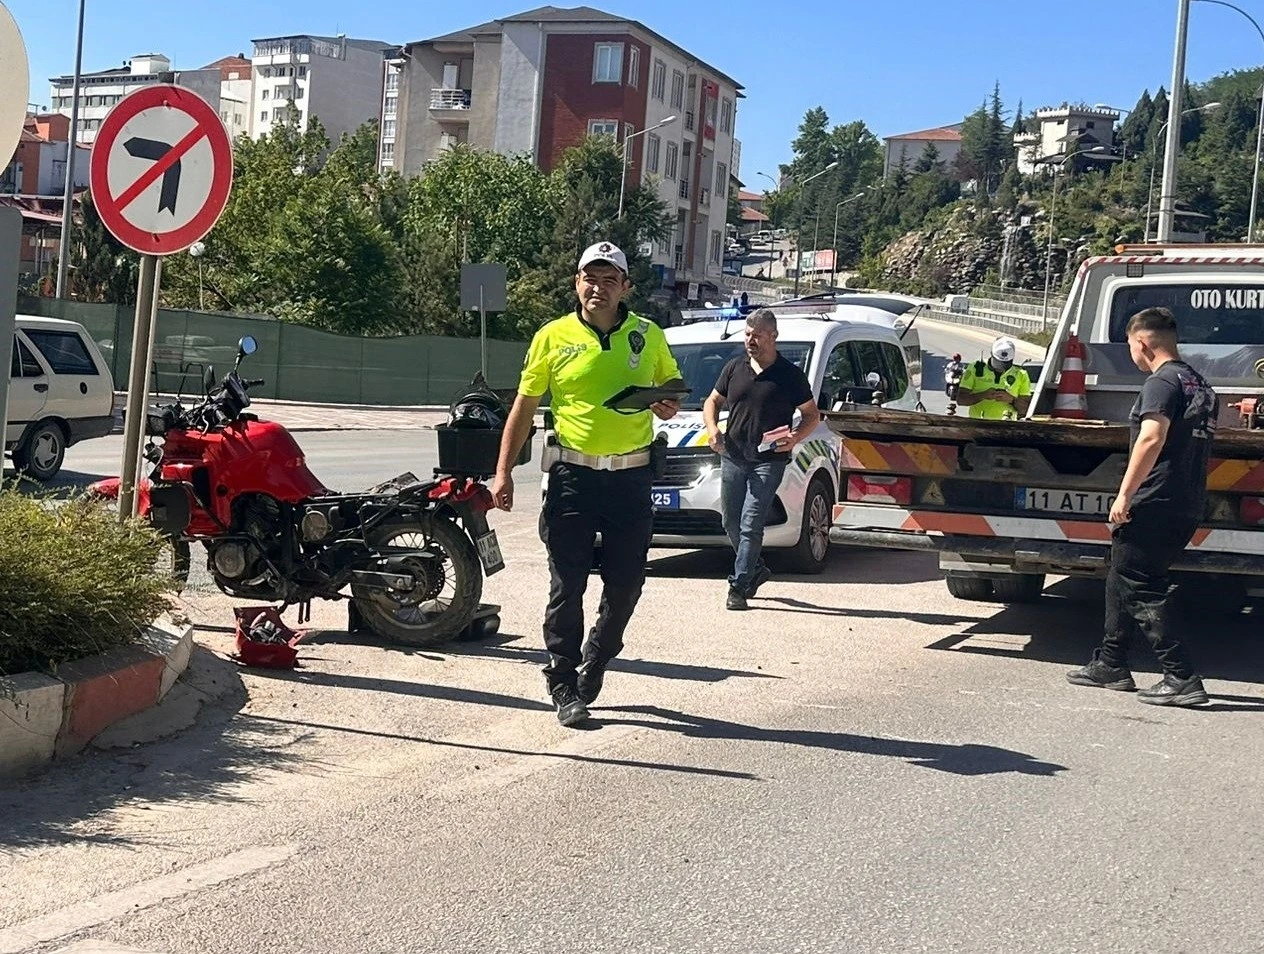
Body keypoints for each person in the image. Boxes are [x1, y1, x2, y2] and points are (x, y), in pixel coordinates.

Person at [491, 241, 683, 727]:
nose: (598, 288)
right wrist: (503, 471)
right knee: (567, 583)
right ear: (577, 283)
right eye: (590, 279)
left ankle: (597, 657)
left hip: (631, 479)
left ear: (625, 287)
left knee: (627, 584)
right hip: (573, 477)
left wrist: (667, 404)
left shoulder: (648, 335)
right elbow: (524, 407)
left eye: (609, 280)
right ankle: (561, 679)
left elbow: (671, 392)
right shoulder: (552, 336)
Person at [1067, 306, 1218, 707]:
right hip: (1186, 498)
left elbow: (1152, 437)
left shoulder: (1161, 382)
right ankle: (1110, 663)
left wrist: (1124, 494)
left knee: (1143, 586)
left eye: (1130, 346)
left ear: (1141, 343)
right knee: (1122, 575)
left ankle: (1181, 676)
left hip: (1155, 499)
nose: (1131, 353)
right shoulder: (1200, 384)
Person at [702, 308, 820, 611]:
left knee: (751, 521)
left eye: (757, 335)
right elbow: (713, 401)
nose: (750, 341)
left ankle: (738, 586)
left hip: (770, 459)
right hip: (733, 455)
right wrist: (713, 429)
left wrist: (795, 437)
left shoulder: (789, 375)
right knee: (730, 520)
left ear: (773, 336)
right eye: (747, 335)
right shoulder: (734, 367)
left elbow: (811, 415)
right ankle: (755, 568)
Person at [957, 337, 1032, 420]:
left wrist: (1012, 400)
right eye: (998, 363)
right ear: (991, 354)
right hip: (978, 423)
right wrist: (983, 395)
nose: (1001, 368)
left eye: (1006, 364)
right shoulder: (976, 368)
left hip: (1008, 425)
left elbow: (1027, 409)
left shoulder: (1020, 374)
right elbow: (961, 399)